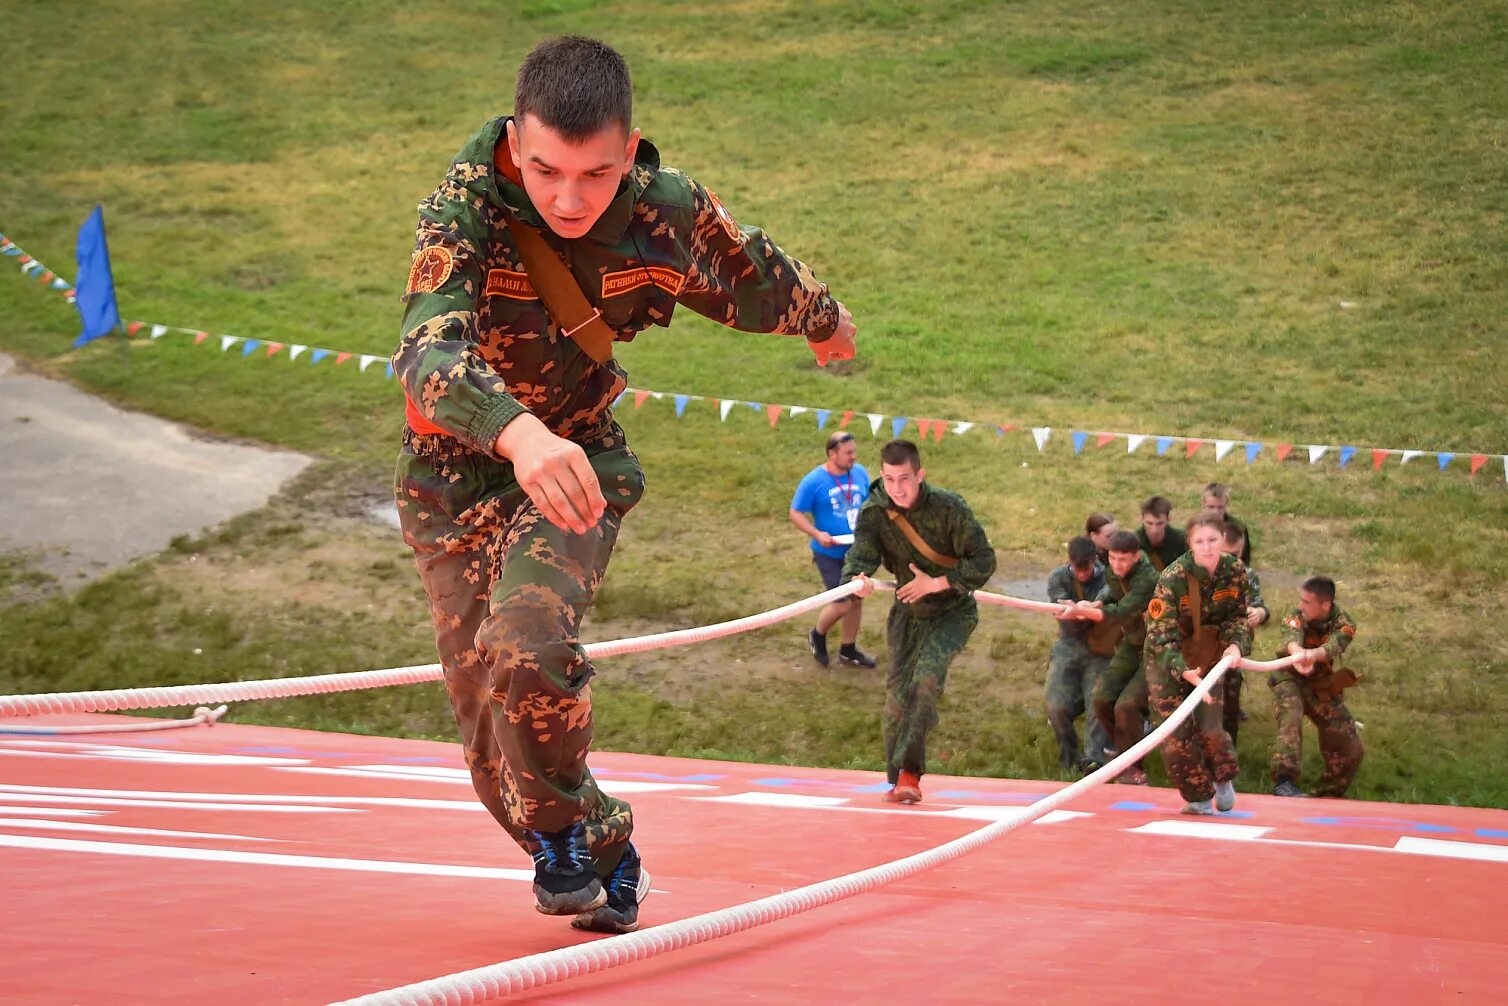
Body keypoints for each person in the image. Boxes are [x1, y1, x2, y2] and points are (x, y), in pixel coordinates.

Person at [390, 36, 858, 934]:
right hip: (451, 482)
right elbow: (426, 355)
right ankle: (596, 840)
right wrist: (515, 434)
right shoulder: (460, 215)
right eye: (545, 170)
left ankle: (570, 842)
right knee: (500, 762)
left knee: (524, 642)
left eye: (595, 174)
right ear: (514, 142)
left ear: (630, 147)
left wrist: (826, 323)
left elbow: (750, 273)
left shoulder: (662, 213)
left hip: (578, 465)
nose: (568, 198)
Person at [843, 440, 996, 804]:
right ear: (881, 476)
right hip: (906, 614)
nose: (898, 488)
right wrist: (856, 579)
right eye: (890, 479)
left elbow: (984, 561)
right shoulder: (875, 512)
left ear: (920, 475)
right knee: (896, 701)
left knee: (925, 682)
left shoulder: (949, 507)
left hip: (951, 611)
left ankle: (911, 771)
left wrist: (937, 583)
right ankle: (897, 780)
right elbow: (861, 553)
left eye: (905, 479)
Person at [1144, 511, 1253, 815]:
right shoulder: (1172, 578)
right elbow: (1160, 636)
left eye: (1212, 540)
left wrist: (1235, 645)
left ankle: (1223, 778)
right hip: (1167, 660)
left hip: (1209, 657)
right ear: (1189, 543)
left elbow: (1238, 618)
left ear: (1223, 540)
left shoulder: (1235, 571)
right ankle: (1198, 797)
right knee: (1175, 736)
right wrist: (1182, 670)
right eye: (1199, 541)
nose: (1207, 547)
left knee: (1211, 728)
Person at [1270, 576, 1364, 798]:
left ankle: (1326, 793)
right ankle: (1284, 781)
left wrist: (1312, 656)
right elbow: (1291, 637)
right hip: (1289, 678)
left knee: (1349, 743)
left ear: (1325, 605)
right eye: (1300, 600)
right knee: (1290, 716)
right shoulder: (1295, 615)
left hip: (1320, 684)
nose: (1300, 606)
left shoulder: (1345, 623)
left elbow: (1333, 646)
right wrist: (1298, 654)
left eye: (1307, 602)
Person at [790, 431, 875, 668]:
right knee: (842, 603)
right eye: (848, 453)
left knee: (857, 599)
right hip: (828, 553)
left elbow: (869, 503)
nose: (854, 457)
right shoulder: (813, 481)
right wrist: (817, 534)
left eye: (854, 452)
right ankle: (817, 634)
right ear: (832, 453)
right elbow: (795, 513)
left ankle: (848, 650)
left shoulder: (859, 473)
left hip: (856, 552)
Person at [1082, 530, 1159, 784]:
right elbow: (1113, 593)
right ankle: (1127, 747)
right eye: (1113, 558)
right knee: (1101, 697)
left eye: (1123, 560)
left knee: (1126, 705)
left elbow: (1125, 611)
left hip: (1156, 648)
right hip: (1132, 643)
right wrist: (1098, 602)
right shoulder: (1112, 571)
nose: (1117, 565)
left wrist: (1091, 614)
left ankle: (1133, 766)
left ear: (1136, 557)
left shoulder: (1148, 578)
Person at [1044, 537, 1113, 775]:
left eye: (1086, 568)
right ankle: (1069, 758)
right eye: (1077, 568)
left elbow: (1108, 595)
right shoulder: (1058, 577)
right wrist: (1075, 609)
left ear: (1095, 561)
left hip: (1100, 648)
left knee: (1097, 702)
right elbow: (1060, 603)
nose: (1082, 574)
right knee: (1055, 705)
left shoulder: (1108, 577)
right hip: (1068, 645)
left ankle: (1094, 761)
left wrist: (1092, 606)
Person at [1218, 521, 1268, 744]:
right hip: (1204, 646)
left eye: (1238, 552)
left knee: (1230, 696)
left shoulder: (1247, 574)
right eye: (1229, 553)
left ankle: (1229, 753)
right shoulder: (1200, 573)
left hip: (1234, 648)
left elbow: (1260, 605)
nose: (1235, 559)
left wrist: (1260, 613)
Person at [1201, 482, 1251, 565]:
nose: (1215, 512)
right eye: (1211, 507)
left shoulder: (1238, 528)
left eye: (1220, 507)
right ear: (1203, 503)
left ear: (1227, 504)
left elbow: (1245, 560)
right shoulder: (1196, 528)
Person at [1136, 495, 1187, 572]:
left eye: (1159, 523)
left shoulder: (1183, 539)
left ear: (1168, 519)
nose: (1154, 530)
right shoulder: (1133, 543)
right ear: (1142, 519)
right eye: (1149, 523)